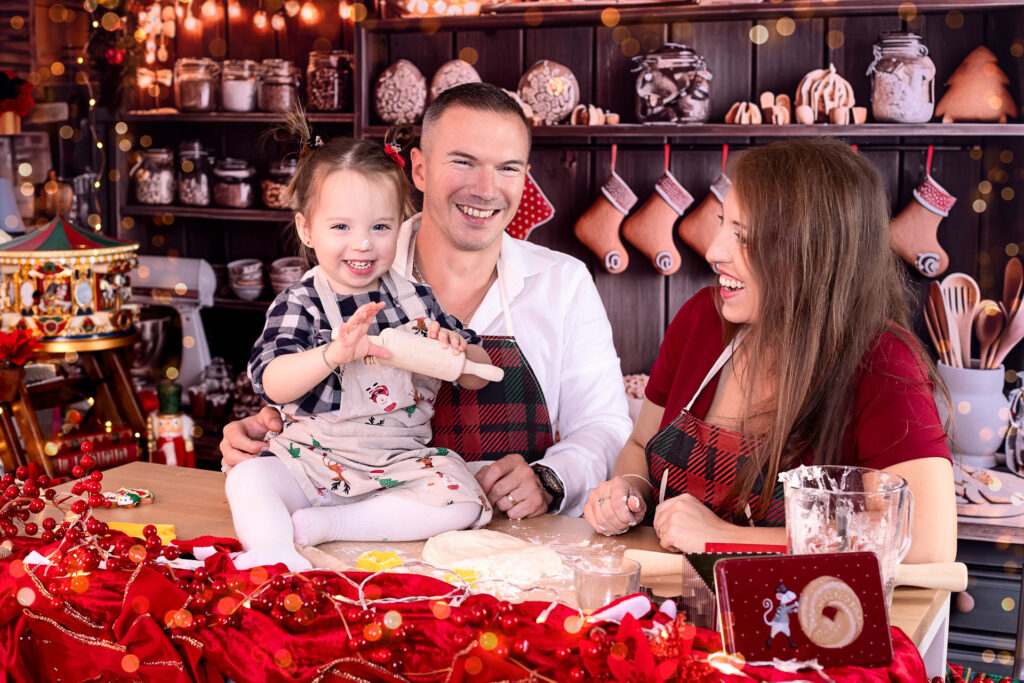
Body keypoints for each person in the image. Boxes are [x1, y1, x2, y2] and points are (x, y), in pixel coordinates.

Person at [221, 82, 632, 520]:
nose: (486, 189)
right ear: (418, 169)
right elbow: (297, 394)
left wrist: (551, 479)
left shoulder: (562, 283)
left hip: (519, 549)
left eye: (508, 168)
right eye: (463, 162)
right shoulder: (331, 286)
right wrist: (267, 430)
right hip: (359, 542)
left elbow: (604, 426)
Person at [583, 138, 957, 564]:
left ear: (812, 254)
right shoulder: (701, 320)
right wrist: (628, 491)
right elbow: (639, 444)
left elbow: (926, 544)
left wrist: (724, 536)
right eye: (724, 223)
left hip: (800, 620)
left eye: (744, 237)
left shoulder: (884, 363)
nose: (713, 251)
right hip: (668, 612)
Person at [226, 121, 498, 572]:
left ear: (400, 226)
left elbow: (478, 375)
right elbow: (272, 382)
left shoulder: (416, 299)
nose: (363, 243)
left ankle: (330, 526)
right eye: (340, 226)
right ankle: (274, 556)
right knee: (249, 479)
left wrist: (457, 350)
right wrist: (331, 355)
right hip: (311, 461)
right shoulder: (302, 302)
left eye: (379, 226)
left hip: (398, 466)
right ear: (307, 230)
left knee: (463, 502)